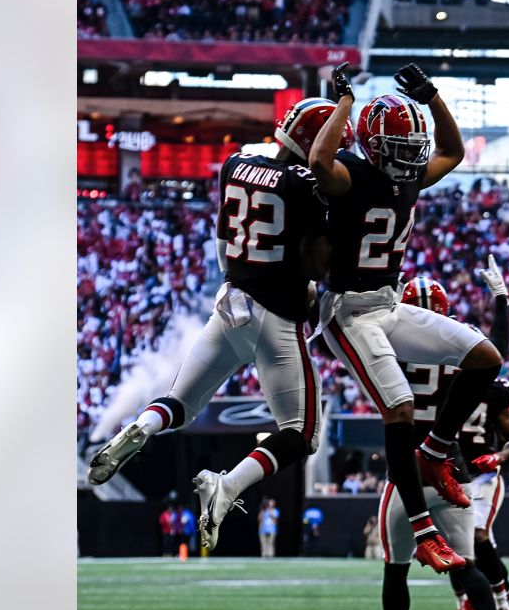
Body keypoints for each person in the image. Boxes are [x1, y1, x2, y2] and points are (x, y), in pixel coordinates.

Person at [88, 98, 354, 552]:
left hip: (229, 301)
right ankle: (228, 485)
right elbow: (316, 265)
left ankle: (141, 427)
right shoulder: (307, 185)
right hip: (275, 315)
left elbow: (222, 243)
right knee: (302, 431)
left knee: (180, 403)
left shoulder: (235, 164)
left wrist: (243, 277)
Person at [309, 62, 503, 574]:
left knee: (485, 357)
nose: (408, 161)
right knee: (398, 407)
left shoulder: (410, 172)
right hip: (348, 314)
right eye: (397, 150)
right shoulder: (351, 175)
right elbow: (319, 157)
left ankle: (436, 452)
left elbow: (453, 151)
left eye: (410, 151)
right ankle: (424, 531)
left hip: (388, 305)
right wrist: (345, 102)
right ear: (372, 146)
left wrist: (433, 97)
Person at [397, 264, 509, 610]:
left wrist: (501, 455)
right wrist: (502, 301)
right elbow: (497, 352)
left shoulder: (399, 348)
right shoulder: (460, 347)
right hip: (444, 461)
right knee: (453, 549)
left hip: (466, 470)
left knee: (467, 542)